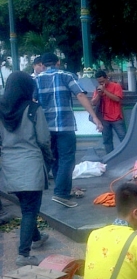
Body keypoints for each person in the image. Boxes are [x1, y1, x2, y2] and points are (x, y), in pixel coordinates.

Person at [34, 52, 103, 208]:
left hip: (45, 128)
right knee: (67, 159)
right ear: (58, 63)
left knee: (55, 159)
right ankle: (61, 193)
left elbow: (32, 101)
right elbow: (80, 95)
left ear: (43, 65)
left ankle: (62, 190)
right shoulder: (67, 76)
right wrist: (94, 117)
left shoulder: (36, 80)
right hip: (65, 125)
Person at [0, 71, 53, 266]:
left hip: (9, 165)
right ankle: (23, 254)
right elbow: (43, 139)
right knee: (30, 209)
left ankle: (37, 239)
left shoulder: (1, 110)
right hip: (30, 163)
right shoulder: (33, 109)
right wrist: (49, 158)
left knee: (26, 206)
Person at [91, 70, 126, 154]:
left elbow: (117, 99)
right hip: (104, 118)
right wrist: (99, 94)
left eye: (103, 81)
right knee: (107, 140)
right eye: (99, 82)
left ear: (107, 78)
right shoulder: (98, 88)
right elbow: (93, 102)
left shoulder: (116, 86)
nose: (101, 83)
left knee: (123, 138)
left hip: (116, 117)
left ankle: (126, 156)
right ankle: (110, 157)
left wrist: (105, 91)